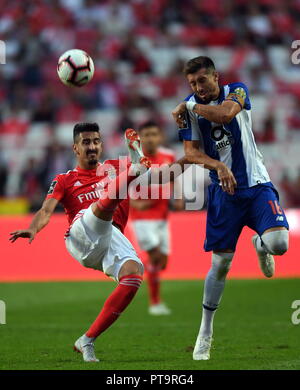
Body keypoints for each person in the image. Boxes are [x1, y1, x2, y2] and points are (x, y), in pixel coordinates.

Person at [9, 121, 236, 363]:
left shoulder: (113, 167)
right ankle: (136, 169)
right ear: (75, 148)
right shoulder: (65, 179)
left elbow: (166, 174)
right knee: (105, 204)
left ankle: (87, 339)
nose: (92, 146)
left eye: (96, 141)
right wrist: (33, 229)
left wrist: (190, 157)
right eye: (85, 142)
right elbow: (46, 210)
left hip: (111, 238)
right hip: (81, 233)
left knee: (134, 275)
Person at [172, 56, 289, 361]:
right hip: (224, 194)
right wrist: (216, 167)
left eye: (202, 81)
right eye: (192, 85)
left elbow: (225, 116)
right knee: (221, 265)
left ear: (216, 77)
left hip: (257, 184)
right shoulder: (190, 109)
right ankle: (205, 333)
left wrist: (190, 106)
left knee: (280, 244)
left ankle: (260, 244)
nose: (198, 88)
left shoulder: (237, 90)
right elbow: (191, 152)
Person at [129, 121, 184, 316]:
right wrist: (135, 203)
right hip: (141, 218)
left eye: (154, 134)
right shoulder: (133, 158)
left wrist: (178, 196)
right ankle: (155, 302)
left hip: (162, 217)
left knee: (163, 263)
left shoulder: (168, 155)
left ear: (159, 137)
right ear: (140, 138)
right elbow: (121, 186)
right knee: (155, 258)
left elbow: (174, 177)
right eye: (146, 135)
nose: (150, 138)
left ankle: (136, 268)